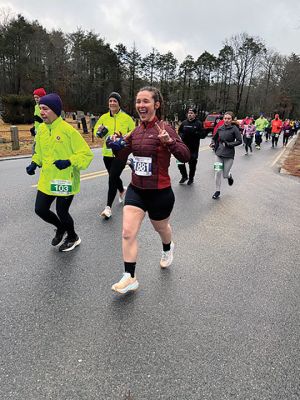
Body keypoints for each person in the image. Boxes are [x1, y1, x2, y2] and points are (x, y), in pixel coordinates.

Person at [106, 86, 190, 294]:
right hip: (137, 189)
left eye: (145, 101)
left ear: (156, 105)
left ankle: (168, 247)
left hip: (159, 192)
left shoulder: (165, 128)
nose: (141, 105)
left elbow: (185, 156)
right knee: (127, 232)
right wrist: (116, 145)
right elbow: (122, 156)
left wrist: (169, 142)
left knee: (161, 229)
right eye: (138, 101)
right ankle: (130, 277)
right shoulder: (136, 131)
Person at [26, 93, 94, 252]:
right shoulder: (41, 129)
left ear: (55, 110)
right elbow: (40, 152)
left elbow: (86, 155)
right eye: (40, 108)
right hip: (47, 178)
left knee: (62, 212)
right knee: (40, 210)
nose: (42, 112)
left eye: (45, 108)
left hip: (64, 179)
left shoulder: (68, 131)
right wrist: (34, 163)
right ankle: (60, 228)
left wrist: (69, 161)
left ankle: (73, 237)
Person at [93, 92, 135, 219]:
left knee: (112, 179)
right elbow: (96, 132)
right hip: (107, 153)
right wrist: (100, 132)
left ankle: (108, 208)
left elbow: (133, 133)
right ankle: (122, 190)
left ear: (119, 103)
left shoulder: (127, 118)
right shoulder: (104, 118)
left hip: (120, 154)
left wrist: (123, 138)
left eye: (114, 101)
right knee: (114, 176)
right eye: (110, 101)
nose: (112, 103)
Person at [211, 111, 242, 199]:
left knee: (224, 175)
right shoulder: (220, 128)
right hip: (219, 154)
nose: (227, 120)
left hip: (229, 155)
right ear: (223, 119)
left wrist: (229, 144)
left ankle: (229, 176)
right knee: (217, 172)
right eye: (225, 118)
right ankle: (217, 191)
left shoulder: (234, 129)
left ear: (231, 119)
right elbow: (214, 138)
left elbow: (240, 141)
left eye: (229, 118)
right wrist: (212, 143)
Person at [177, 108, 204, 185]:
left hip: (194, 147)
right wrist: (182, 135)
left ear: (195, 114)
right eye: (189, 113)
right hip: (184, 146)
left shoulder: (199, 123)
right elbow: (179, 131)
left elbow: (202, 134)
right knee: (180, 162)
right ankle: (184, 176)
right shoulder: (184, 123)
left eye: (192, 113)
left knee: (192, 164)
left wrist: (196, 133)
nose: (190, 114)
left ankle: (191, 178)